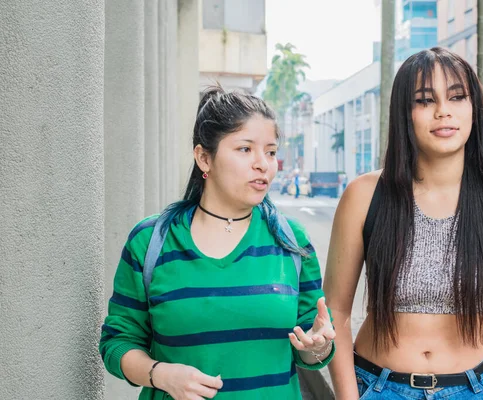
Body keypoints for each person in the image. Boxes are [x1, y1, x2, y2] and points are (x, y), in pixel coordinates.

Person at [324, 48, 483, 399]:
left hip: (475, 388)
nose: (444, 111)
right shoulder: (364, 195)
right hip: (379, 386)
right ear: (404, 114)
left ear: (474, 107)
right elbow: (335, 309)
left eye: (457, 96)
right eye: (425, 100)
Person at [99, 87, 335, 400]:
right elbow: (117, 342)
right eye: (245, 149)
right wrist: (161, 374)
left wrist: (319, 346)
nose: (263, 164)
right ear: (204, 158)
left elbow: (310, 345)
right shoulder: (150, 241)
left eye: (271, 152)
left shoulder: (291, 241)